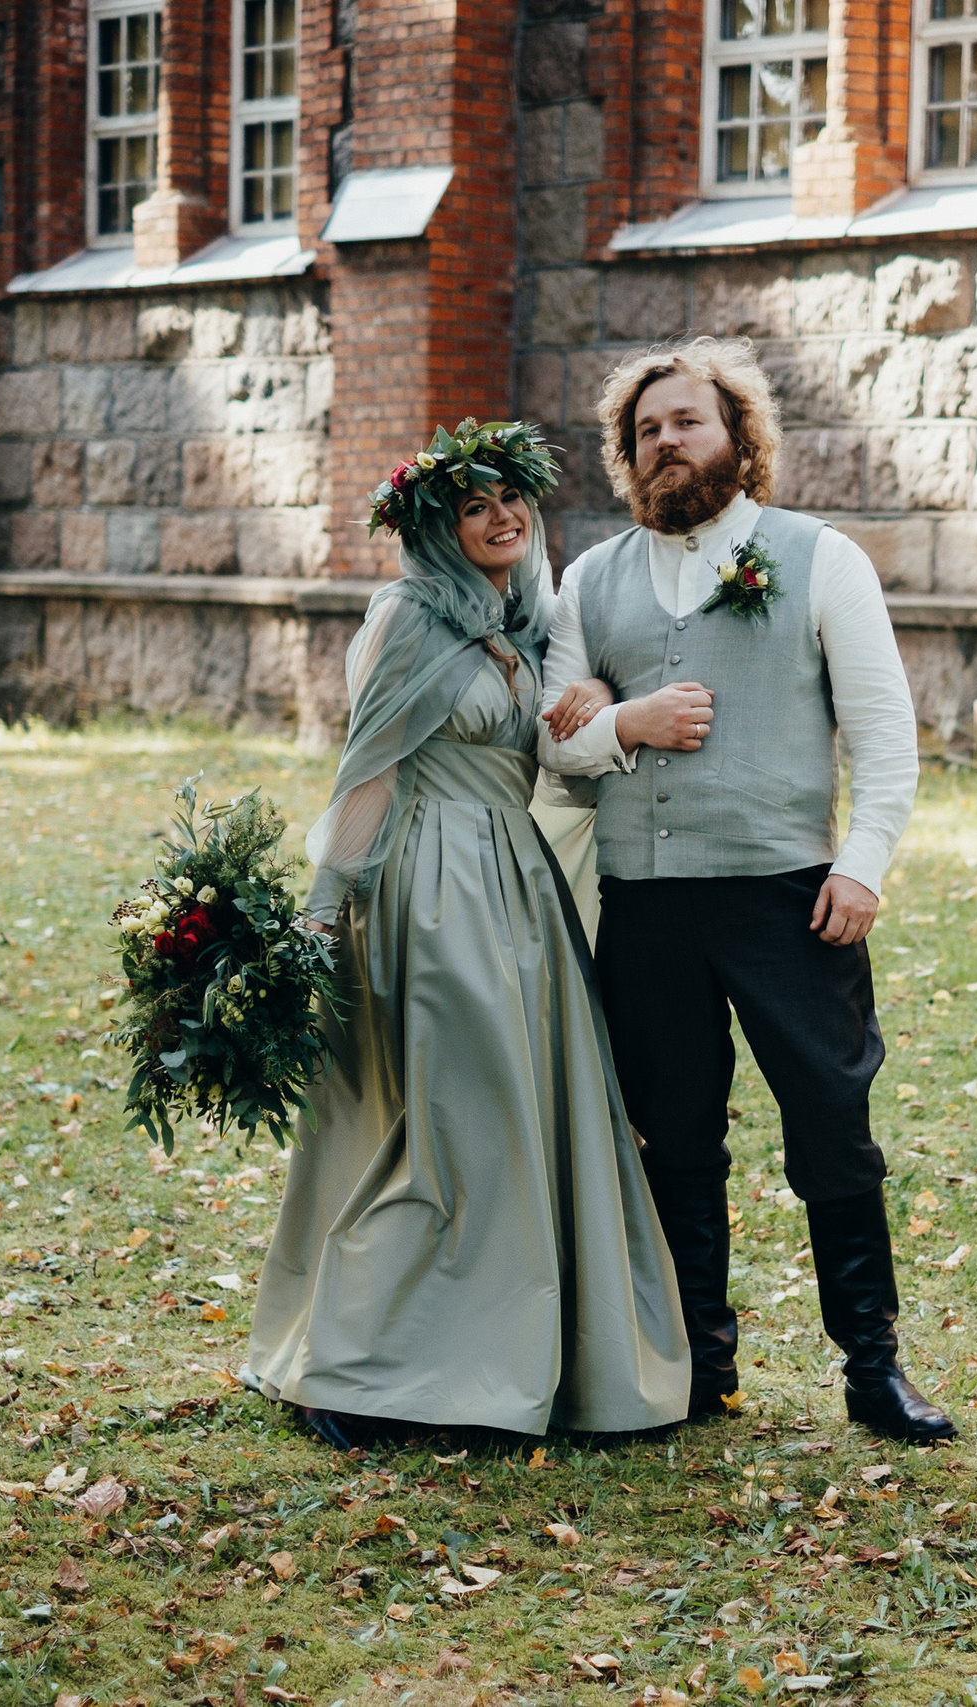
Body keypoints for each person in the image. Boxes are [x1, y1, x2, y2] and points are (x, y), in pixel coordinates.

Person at [538, 339, 956, 1444]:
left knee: (831, 1123)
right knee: (671, 1140)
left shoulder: (819, 558)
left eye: (687, 421)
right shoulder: (587, 582)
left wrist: (861, 864)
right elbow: (553, 749)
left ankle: (872, 1366)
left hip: (789, 899)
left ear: (737, 437)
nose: (667, 442)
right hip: (644, 904)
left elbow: (882, 733)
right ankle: (700, 1368)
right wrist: (622, 723)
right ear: (627, 457)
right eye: (646, 431)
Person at [240, 420, 690, 1445]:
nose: (499, 517)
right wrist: (321, 911)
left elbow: (546, 755)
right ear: (436, 530)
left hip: (516, 889)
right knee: (449, 1124)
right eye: (472, 506)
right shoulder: (405, 618)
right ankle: (357, 1373)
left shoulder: (523, 619)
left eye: (509, 500)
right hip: (430, 887)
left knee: (516, 1123)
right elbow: (368, 773)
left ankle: (509, 1362)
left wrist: (596, 702)